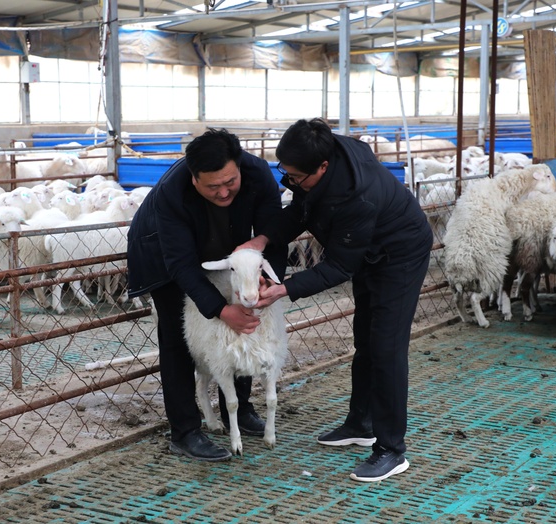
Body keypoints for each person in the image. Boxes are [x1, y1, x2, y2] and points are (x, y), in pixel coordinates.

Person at [237, 118, 433, 482]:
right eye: (286, 173)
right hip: (369, 251)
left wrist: (284, 289)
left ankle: (392, 449)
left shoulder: (357, 196)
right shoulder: (322, 156)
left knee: (387, 347)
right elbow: (301, 209)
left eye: (296, 176)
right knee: (366, 339)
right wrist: (262, 239)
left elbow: (340, 266)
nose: (290, 181)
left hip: (399, 254)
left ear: (323, 168)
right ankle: (362, 423)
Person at [126, 128, 287, 462]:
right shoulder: (173, 193)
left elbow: (275, 230)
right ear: (194, 178)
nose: (224, 191)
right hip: (164, 256)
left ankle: (239, 411)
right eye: (213, 186)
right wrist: (218, 309)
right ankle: (185, 431)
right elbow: (181, 266)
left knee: (244, 325)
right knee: (179, 337)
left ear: (239, 166)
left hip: (225, 251)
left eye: (230, 182)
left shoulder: (257, 174)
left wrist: (266, 281)